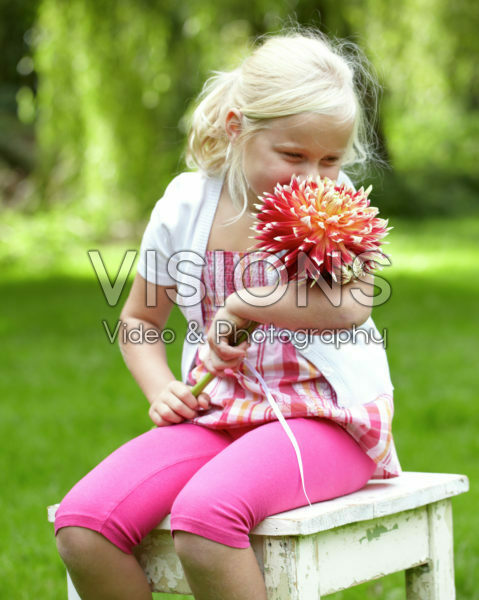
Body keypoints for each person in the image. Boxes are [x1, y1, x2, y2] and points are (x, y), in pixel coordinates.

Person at [55, 29, 402, 600]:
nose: (314, 178)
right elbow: (139, 321)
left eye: (331, 159)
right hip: (219, 413)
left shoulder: (335, 205)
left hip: (328, 419)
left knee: (206, 522)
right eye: (293, 156)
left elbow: (350, 305)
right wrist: (161, 386)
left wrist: (246, 302)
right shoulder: (186, 205)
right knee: (84, 527)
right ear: (238, 127)